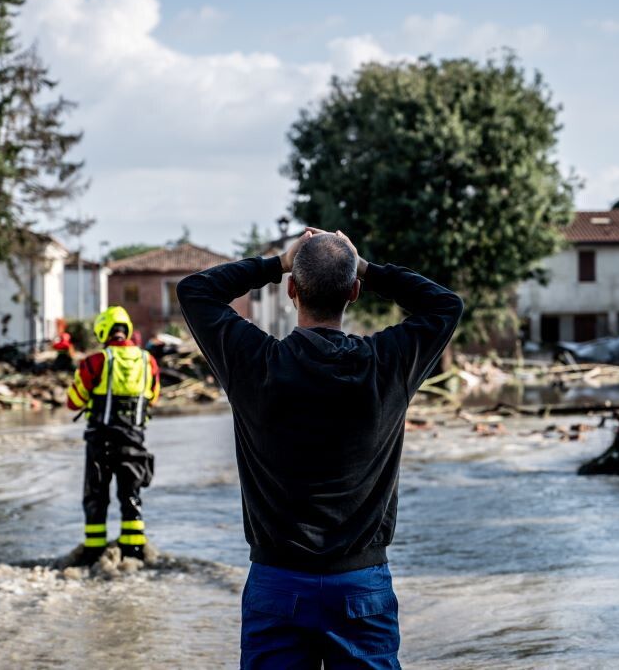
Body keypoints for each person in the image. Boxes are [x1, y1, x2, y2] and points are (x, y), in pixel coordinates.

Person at [178, 229, 462, 668]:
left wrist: (278, 262)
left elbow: (195, 290)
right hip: (360, 585)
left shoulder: (256, 364)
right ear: (354, 292)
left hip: (278, 582)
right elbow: (446, 304)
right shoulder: (387, 365)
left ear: (291, 290)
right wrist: (362, 264)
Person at [66, 306, 160, 563]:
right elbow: (153, 397)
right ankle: (135, 555)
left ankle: (94, 555)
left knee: (96, 497)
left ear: (103, 331)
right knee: (131, 496)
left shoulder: (96, 361)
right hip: (134, 440)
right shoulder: (147, 361)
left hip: (101, 442)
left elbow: (73, 402)